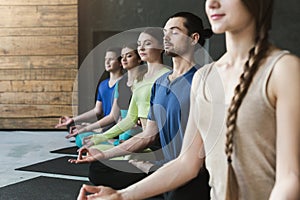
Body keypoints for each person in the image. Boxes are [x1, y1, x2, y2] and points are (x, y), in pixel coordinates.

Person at [76, 0, 300, 199]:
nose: (212, 3)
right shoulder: (206, 77)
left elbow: (290, 177)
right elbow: (186, 163)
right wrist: (121, 195)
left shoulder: (283, 70)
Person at [72, 12, 213, 200]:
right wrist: (102, 154)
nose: (166, 36)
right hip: (164, 168)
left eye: (174, 31)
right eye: (165, 32)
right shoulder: (160, 83)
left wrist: (149, 166)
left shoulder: (202, 80)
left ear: (193, 38)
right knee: (99, 168)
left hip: (190, 172)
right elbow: (149, 135)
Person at [82, 28, 170, 147]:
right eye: (139, 44)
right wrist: (100, 136)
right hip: (143, 140)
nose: (141, 48)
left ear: (161, 47)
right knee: (89, 149)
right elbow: (130, 118)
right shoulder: (139, 80)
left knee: (103, 161)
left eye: (147, 43)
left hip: (160, 143)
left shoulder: (168, 76)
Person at [68, 43, 146, 147]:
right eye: (122, 57)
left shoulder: (144, 81)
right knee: (81, 139)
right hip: (122, 128)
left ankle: (117, 144)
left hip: (135, 129)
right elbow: (113, 115)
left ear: (139, 59)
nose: (124, 59)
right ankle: (115, 144)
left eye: (129, 56)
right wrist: (88, 128)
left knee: (126, 136)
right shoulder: (121, 83)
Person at [55, 47, 123, 147]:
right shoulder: (103, 84)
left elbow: (113, 117)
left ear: (120, 62)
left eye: (111, 59)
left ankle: (113, 143)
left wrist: (90, 128)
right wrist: (73, 120)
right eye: (105, 59)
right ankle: (100, 140)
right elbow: (97, 110)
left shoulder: (124, 83)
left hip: (117, 128)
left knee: (81, 139)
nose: (107, 62)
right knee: (74, 128)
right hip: (104, 126)